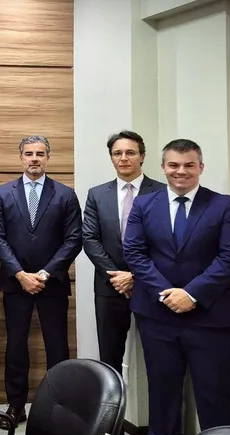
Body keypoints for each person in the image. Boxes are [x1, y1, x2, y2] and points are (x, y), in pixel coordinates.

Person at [123, 139, 230, 435]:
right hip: (157, 314)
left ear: (200, 167)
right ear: (163, 167)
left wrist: (192, 294)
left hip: (211, 318)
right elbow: (134, 253)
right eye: (174, 165)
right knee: (162, 390)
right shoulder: (144, 205)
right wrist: (168, 294)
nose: (181, 171)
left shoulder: (223, 206)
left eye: (189, 165)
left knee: (214, 394)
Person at [0, 135, 82, 430]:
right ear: (20, 157)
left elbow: (73, 240)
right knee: (16, 345)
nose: (34, 158)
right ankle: (16, 406)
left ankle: (59, 406)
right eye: (29, 153)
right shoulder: (3, 193)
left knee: (57, 347)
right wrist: (20, 273)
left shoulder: (65, 195)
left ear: (49, 158)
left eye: (40, 153)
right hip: (16, 283)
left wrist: (44, 274)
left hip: (51, 283)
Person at [82, 131, 164, 373]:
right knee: (109, 359)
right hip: (110, 286)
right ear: (111, 158)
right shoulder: (97, 194)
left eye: (130, 152)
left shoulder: (162, 192)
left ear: (142, 156)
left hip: (151, 285)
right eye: (118, 153)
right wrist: (117, 275)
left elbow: (165, 242)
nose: (124, 158)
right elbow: (90, 238)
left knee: (158, 356)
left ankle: (156, 412)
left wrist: (135, 276)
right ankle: (114, 412)